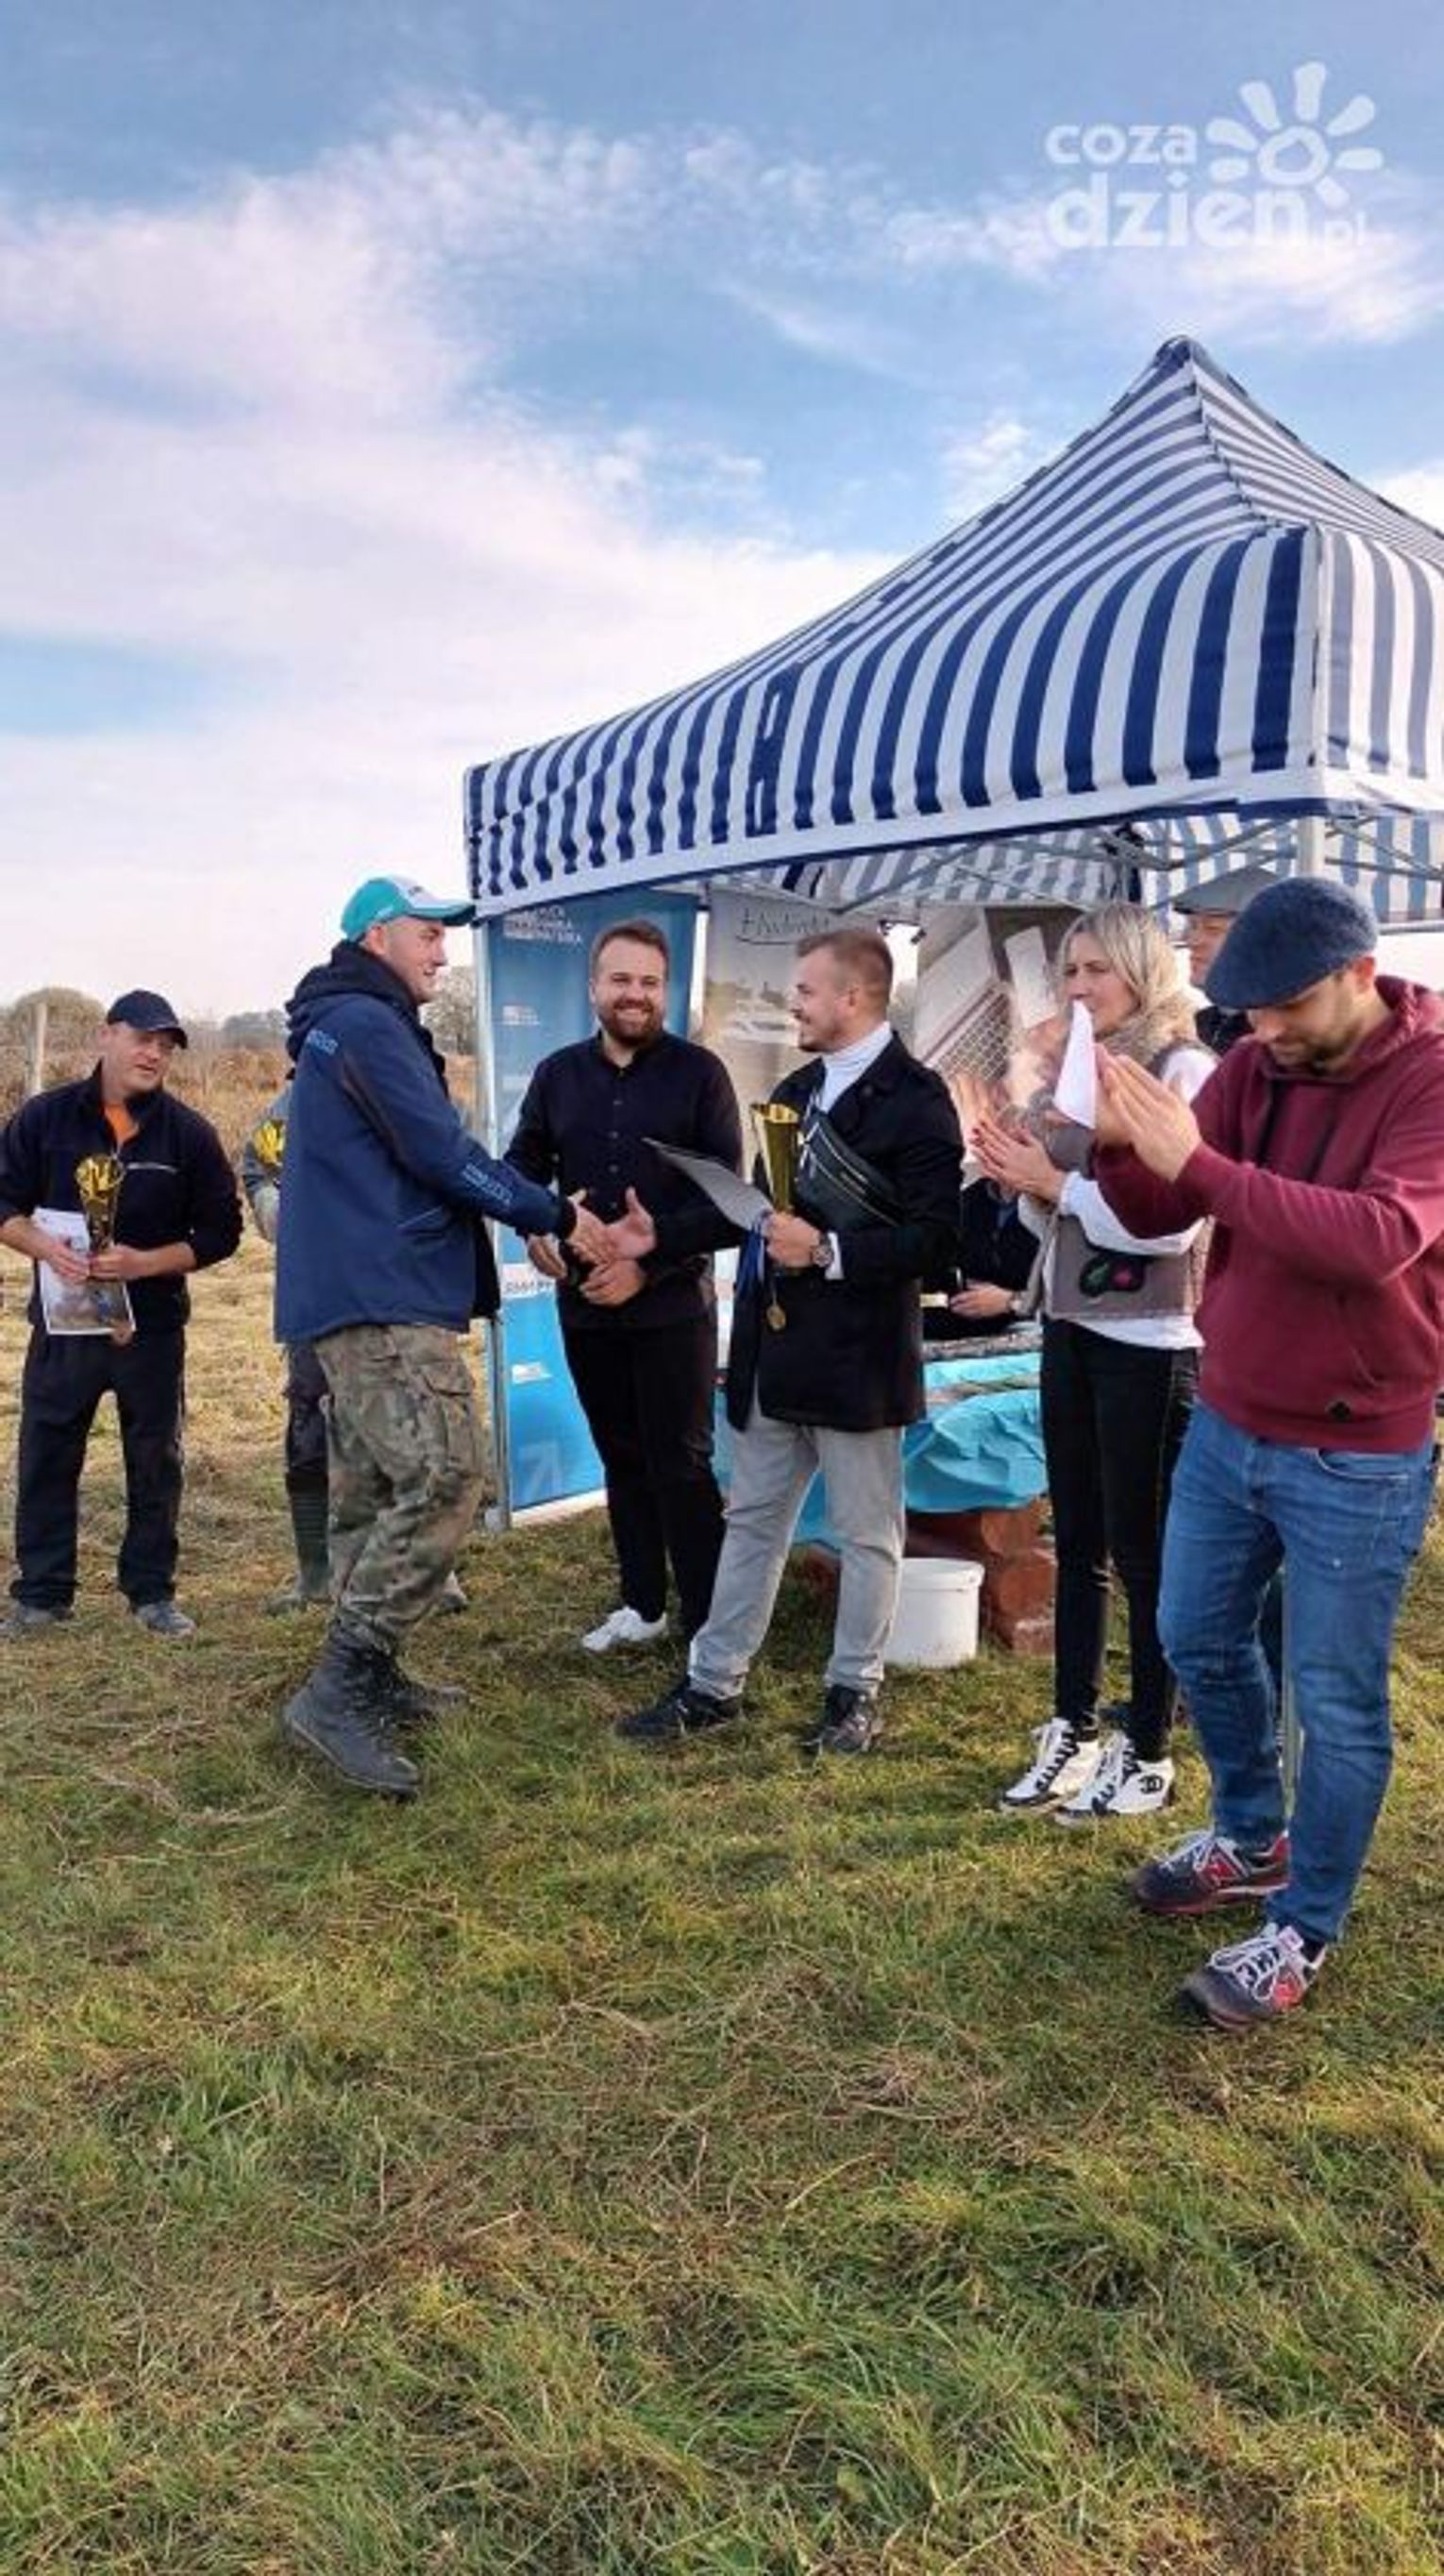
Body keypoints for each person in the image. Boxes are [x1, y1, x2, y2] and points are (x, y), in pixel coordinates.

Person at [1094, 877, 1444, 2029]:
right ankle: (1253, 1833)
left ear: (1360, 973)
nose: (1268, 1030)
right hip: (1232, 1414)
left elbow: (1377, 1240)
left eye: (1290, 1005)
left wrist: (1196, 1165)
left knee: (1334, 1699)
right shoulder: (1257, 1062)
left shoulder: (1431, 1076)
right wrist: (1116, 1143)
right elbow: (1162, 1208)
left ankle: (1306, 1921)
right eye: (1251, 1011)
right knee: (1192, 1629)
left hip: (1358, 1450)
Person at [275, 875, 609, 1797]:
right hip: (382, 1294)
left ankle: (373, 1675)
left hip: (360, 1290)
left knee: (379, 1486)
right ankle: (339, 1688)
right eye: (427, 933)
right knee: (449, 1473)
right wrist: (552, 1211)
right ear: (376, 936)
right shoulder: (367, 1025)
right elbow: (439, 1153)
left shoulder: (346, 1023)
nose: (442, 951)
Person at [613, 926, 962, 1756]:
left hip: (860, 1356)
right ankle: (713, 1685)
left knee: (867, 1535)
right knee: (753, 1523)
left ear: (853, 996)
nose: (793, 1004)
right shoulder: (798, 1088)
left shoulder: (918, 1099)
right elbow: (759, 1211)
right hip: (777, 1353)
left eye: (805, 991)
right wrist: (659, 1236)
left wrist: (832, 1250)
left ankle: (853, 1694)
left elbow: (939, 1241)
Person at [972, 904, 1215, 1820]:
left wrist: (1055, 1183)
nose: (1077, 987)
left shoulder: (1183, 1067)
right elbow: (1059, 1209)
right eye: (1070, 970)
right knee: (1078, 1541)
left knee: (1145, 1554)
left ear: (1142, 973)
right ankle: (1071, 1726)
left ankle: (1147, 1747)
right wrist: (1023, 1179)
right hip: (1072, 1323)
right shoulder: (1082, 1064)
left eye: (1096, 970)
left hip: (1153, 1339)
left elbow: (1174, 1226)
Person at [506, 919, 742, 1651]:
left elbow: (730, 1207)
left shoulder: (702, 1075)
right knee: (621, 1456)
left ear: (664, 990)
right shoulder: (556, 1075)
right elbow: (520, 1169)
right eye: (621, 980)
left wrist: (647, 1264)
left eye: (649, 982)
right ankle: (643, 1604)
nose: (635, 994)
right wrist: (536, 1229)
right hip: (586, 1308)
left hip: (672, 1307)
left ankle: (708, 1625)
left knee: (683, 1464)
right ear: (593, 987)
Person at [0, 991, 242, 1639]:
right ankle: (41, 1595)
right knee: (47, 1455)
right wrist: (46, 1248)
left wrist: (146, 1262)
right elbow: (3, 1204)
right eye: (143, 1039)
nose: (154, 1054)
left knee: (156, 1459)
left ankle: (151, 1592)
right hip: (64, 1326)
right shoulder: (44, 1119)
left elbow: (222, 1232)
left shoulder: (189, 1133)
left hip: (152, 1329)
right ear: (105, 1036)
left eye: (165, 1047)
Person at [241, 1090, 469, 1617]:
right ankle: (316, 1572)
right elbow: (256, 1170)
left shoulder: (420, 1088)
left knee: (418, 1427)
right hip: (319, 1295)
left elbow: (455, 1169)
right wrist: (281, 1210)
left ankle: (434, 1571)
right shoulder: (290, 1105)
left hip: (405, 1291)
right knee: (310, 1422)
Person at [1172, 863, 1275, 1055]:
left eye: (1213, 929)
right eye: (1192, 926)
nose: (1192, 941)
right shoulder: (1199, 1023)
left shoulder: (1281, 1038)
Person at [923, 1175, 1037, 1340]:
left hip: (1030, 1329)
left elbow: (1071, 1300)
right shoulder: (965, 1202)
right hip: (960, 1330)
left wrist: (1009, 1301)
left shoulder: (1057, 1206)